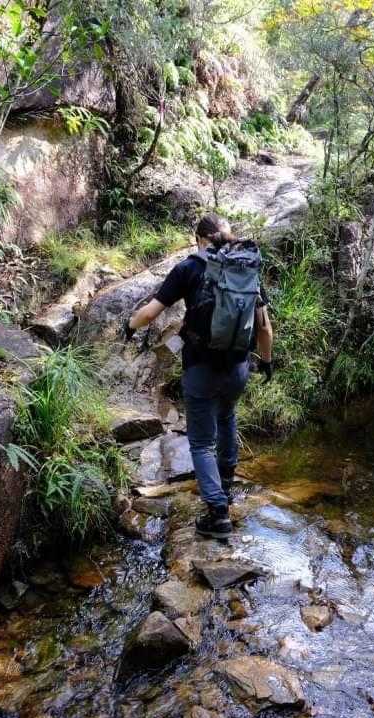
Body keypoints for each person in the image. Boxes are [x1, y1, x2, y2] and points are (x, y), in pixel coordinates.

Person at [123, 214, 274, 539]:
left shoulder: (188, 268)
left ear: (199, 239)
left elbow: (150, 313)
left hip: (201, 367)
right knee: (227, 415)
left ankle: (217, 514)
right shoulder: (246, 267)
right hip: (238, 367)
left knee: (202, 443)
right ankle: (226, 483)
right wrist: (267, 362)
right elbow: (264, 327)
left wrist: (129, 326)